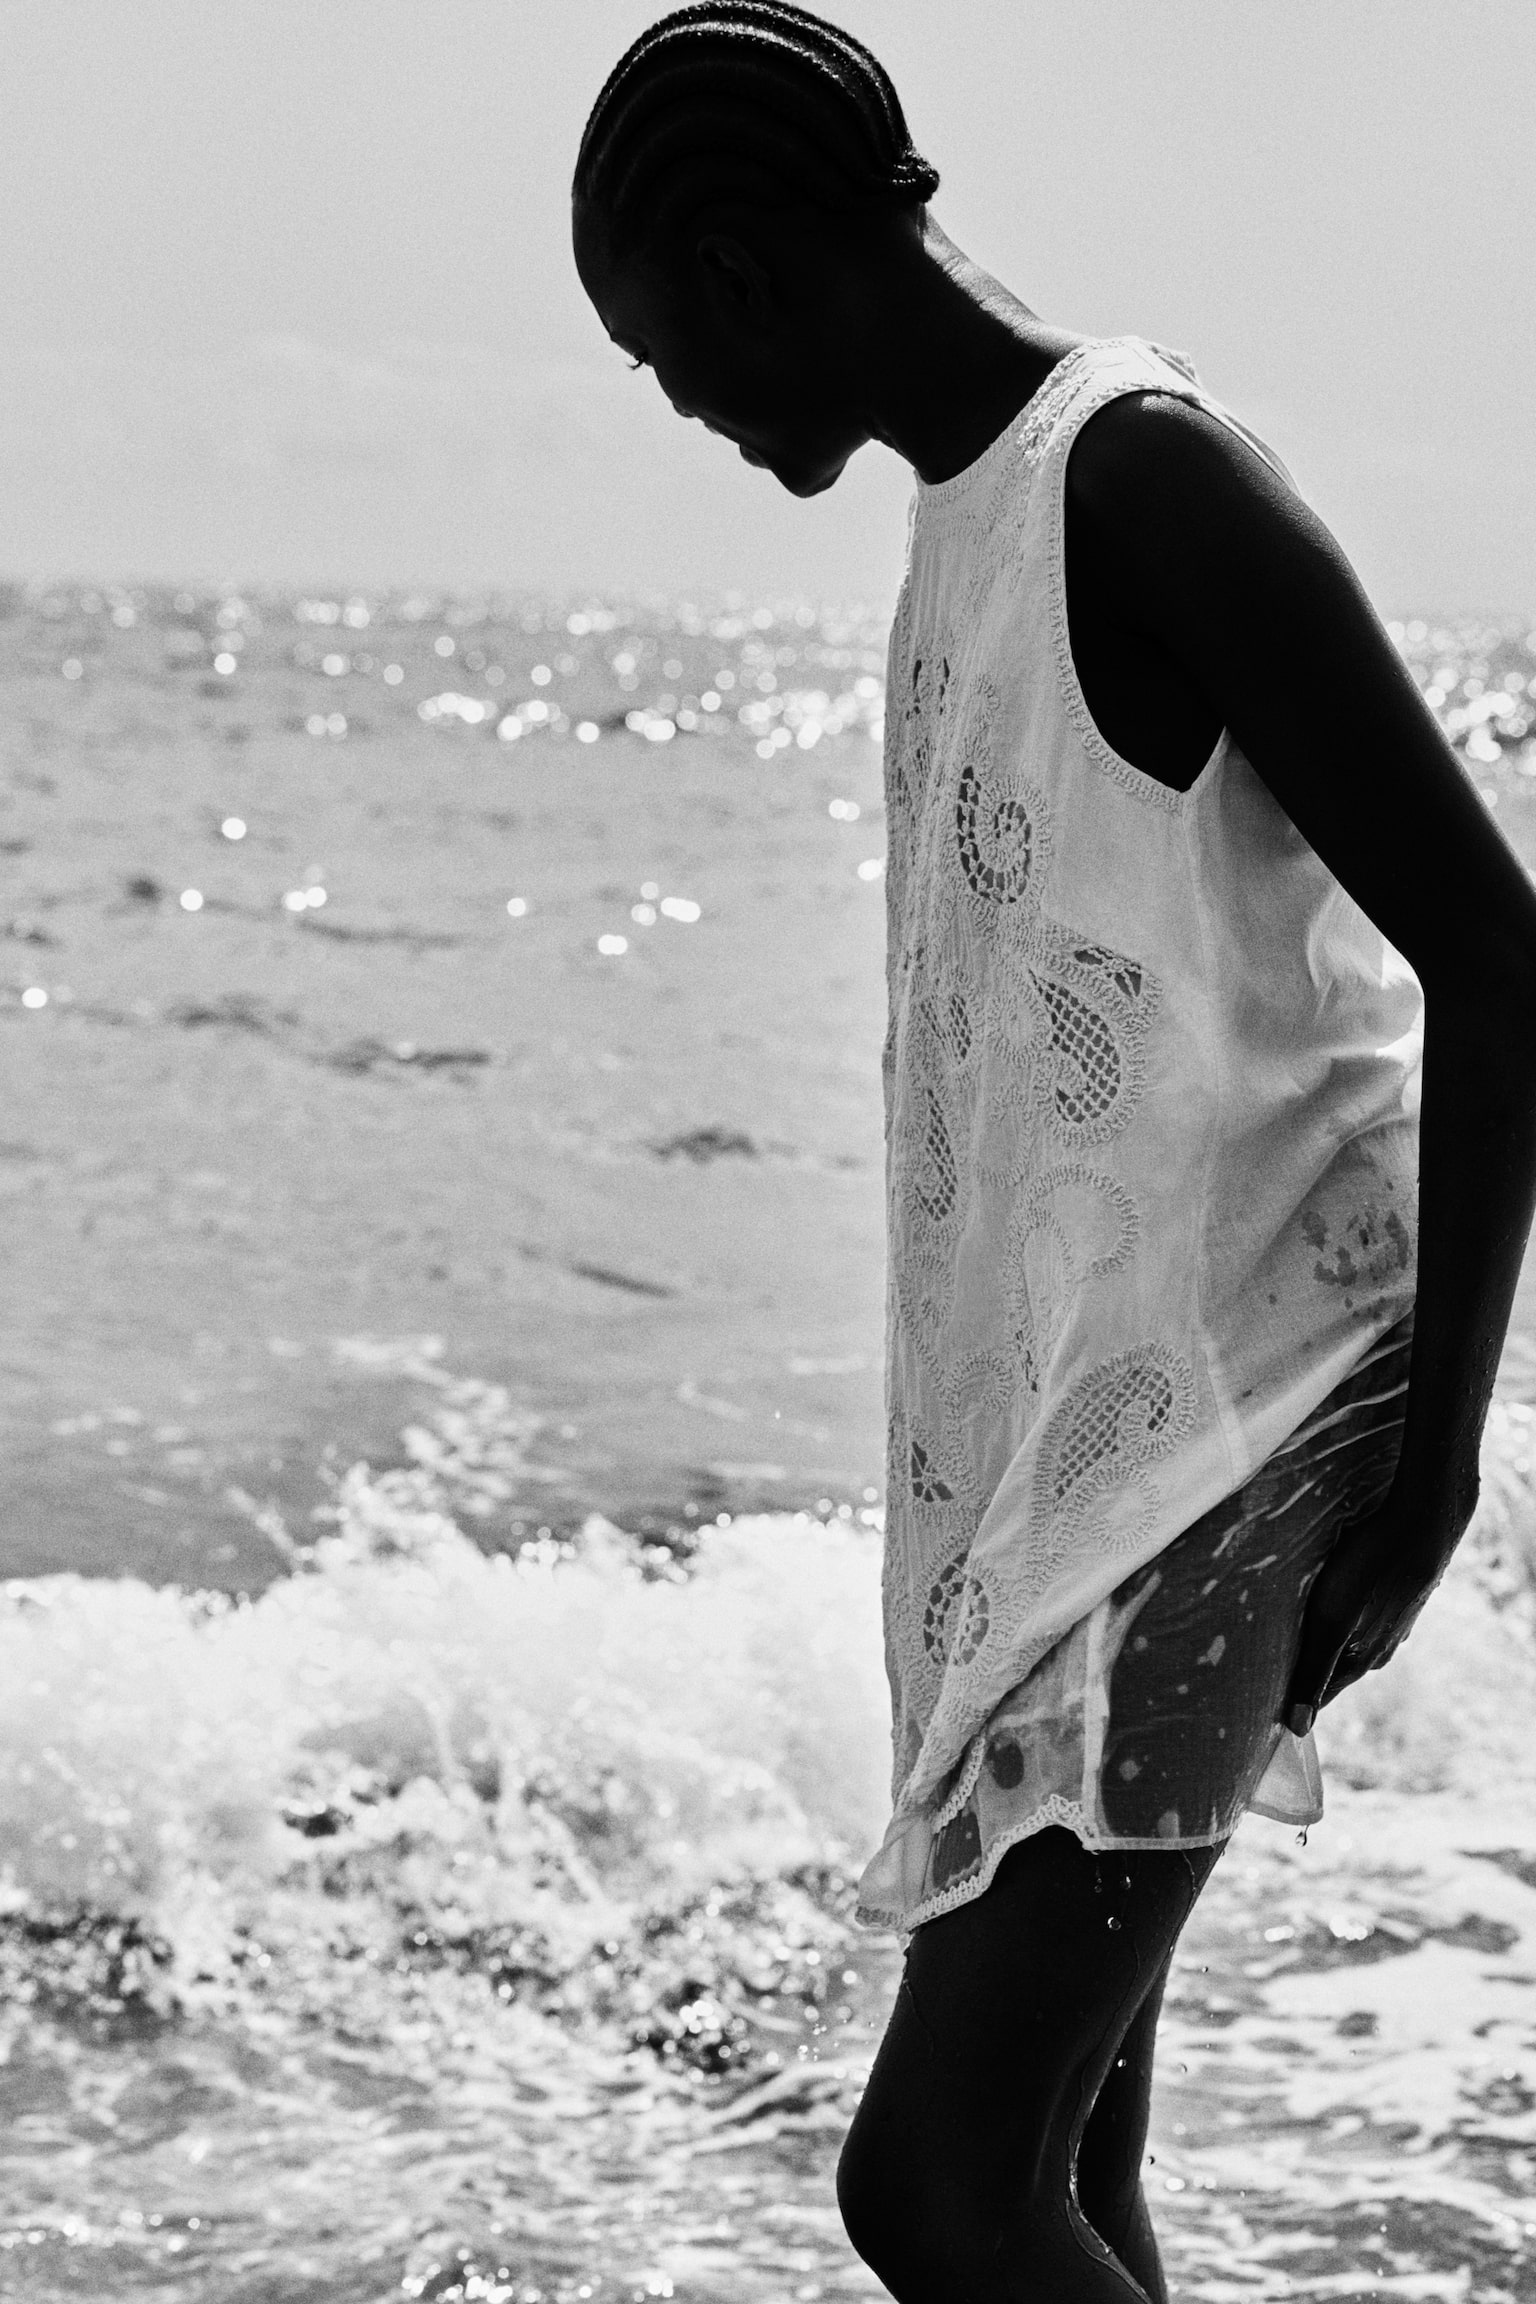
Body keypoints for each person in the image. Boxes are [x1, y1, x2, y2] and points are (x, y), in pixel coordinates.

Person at [572, 7, 1536, 2298]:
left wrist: (1436, 1474)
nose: (675, 404)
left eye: (652, 349)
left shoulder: (1142, 480)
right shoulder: (974, 512)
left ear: (740, 270)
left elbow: (1501, 957)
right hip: (1079, 1464)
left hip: (1230, 1426)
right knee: (1070, 2178)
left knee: (934, 2186)